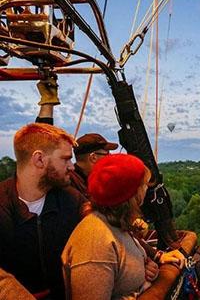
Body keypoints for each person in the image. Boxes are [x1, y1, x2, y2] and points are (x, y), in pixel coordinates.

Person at [61, 154, 186, 299]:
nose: (147, 189)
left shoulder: (116, 224)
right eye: (144, 184)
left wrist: (145, 267)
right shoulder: (95, 245)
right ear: (131, 194)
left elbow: (120, 269)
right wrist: (142, 291)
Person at [0, 123, 87, 299]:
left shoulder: (72, 199)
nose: (72, 166)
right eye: (65, 159)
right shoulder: (2, 204)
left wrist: (146, 255)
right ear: (39, 160)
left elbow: (103, 225)